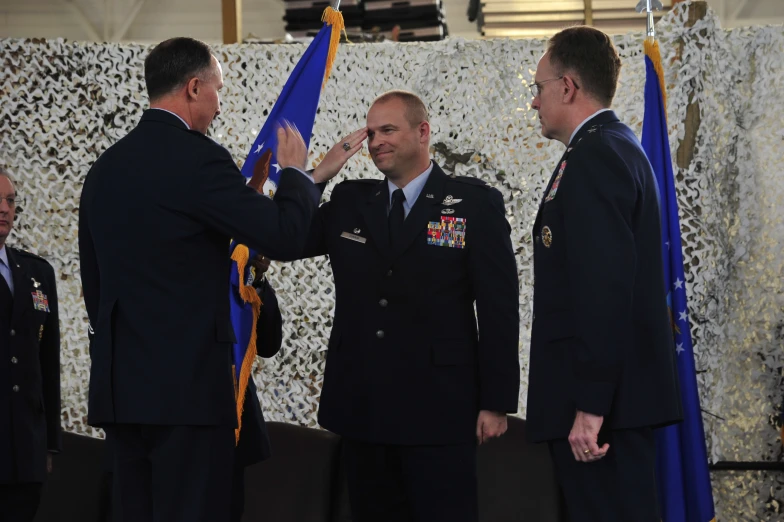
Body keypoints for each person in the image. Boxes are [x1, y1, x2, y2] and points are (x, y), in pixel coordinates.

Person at [78, 36, 322, 522]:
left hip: (124, 394)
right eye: (217, 89)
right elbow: (287, 238)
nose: (219, 103)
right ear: (193, 87)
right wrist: (296, 175)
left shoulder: (104, 170)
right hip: (187, 396)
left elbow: (94, 286)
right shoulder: (199, 159)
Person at [282, 90, 520, 522]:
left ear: (423, 132)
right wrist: (314, 177)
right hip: (364, 406)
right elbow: (285, 240)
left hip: (440, 410)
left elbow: (499, 308)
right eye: (371, 133)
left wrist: (496, 400)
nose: (375, 143)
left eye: (388, 130)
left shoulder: (473, 205)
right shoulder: (352, 201)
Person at [525, 26, 682, 522]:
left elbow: (604, 289)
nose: (534, 103)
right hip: (606, 408)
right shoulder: (614, 146)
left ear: (567, 87)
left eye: (538, 88)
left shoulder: (595, 155)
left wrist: (590, 407)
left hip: (599, 417)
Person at [99, 254, 283, 522]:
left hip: (225, 427)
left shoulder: (238, 265)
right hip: (154, 421)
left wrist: (256, 280)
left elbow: (268, 344)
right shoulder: (153, 262)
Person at [0, 168, 62, 522]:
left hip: (25, 450)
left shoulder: (37, 273)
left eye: (10, 200)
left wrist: (49, 440)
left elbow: (47, 362)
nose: (5, 208)